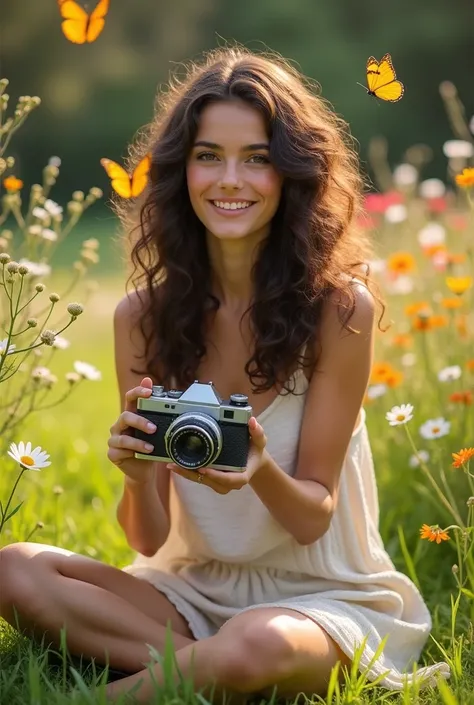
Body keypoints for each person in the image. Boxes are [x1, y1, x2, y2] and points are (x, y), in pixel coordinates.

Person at [0, 46, 449, 704]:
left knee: (259, 641)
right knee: (13, 570)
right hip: (188, 591)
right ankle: (215, 668)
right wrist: (136, 477)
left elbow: (312, 518)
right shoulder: (144, 318)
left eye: (257, 158)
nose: (228, 179)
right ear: (182, 170)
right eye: (208, 155)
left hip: (322, 599)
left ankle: (128, 690)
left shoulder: (340, 310)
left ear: (292, 173)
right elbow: (148, 538)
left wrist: (260, 468)